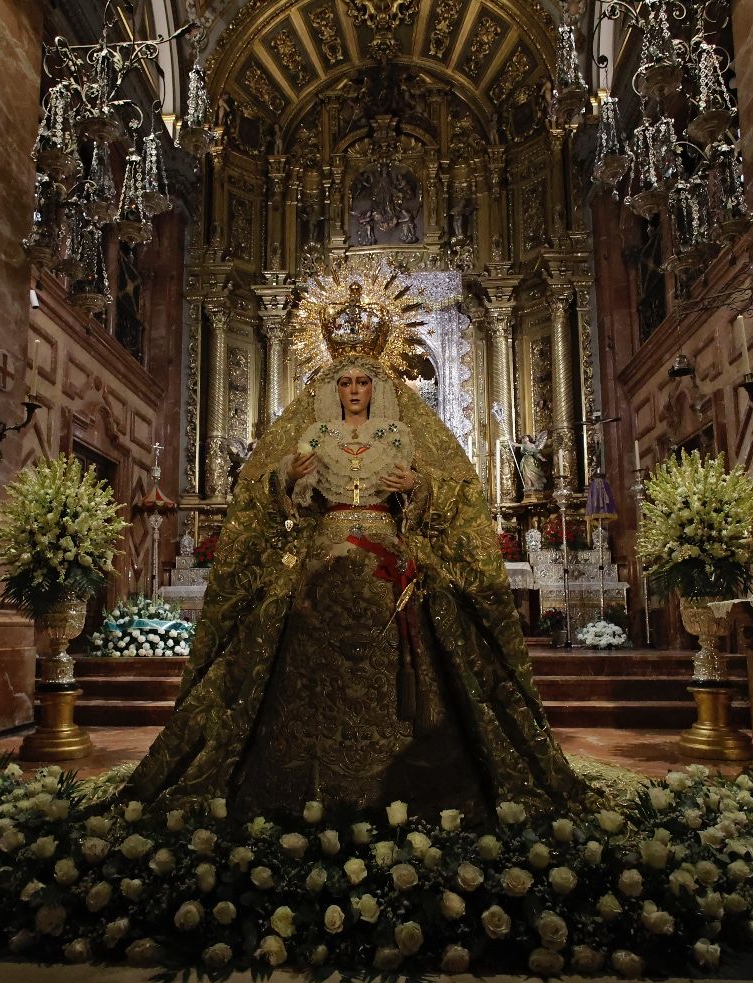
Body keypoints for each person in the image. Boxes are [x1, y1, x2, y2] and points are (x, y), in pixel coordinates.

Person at [121, 271, 584, 820]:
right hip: (323, 555)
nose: (355, 390)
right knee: (293, 629)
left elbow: (449, 495)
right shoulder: (314, 436)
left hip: (390, 558)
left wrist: (418, 487)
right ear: (333, 389)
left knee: (418, 636)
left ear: (377, 387)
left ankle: (408, 773)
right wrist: (288, 479)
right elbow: (278, 500)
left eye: (364, 381)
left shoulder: (401, 435)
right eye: (346, 382)